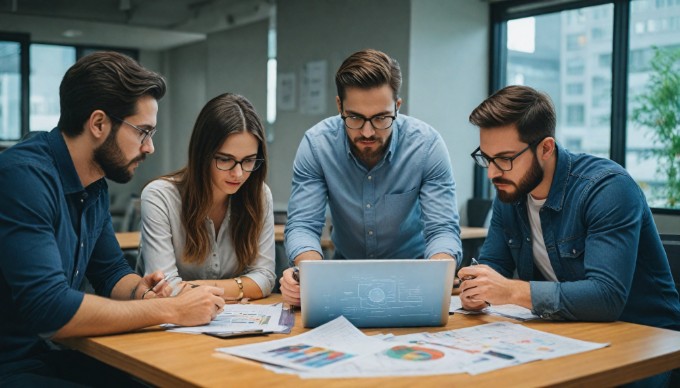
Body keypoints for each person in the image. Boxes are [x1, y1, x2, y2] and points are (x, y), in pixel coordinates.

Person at [0, 52, 225, 387]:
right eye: (143, 132)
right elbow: (49, 309)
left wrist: (143, 293)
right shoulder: (23, 177)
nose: (149, 147)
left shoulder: (94, 184)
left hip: (53, 354)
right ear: (99, 124)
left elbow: (110, 272)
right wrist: (173, 311)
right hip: (13, 364)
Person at [460, 85, 680, 323]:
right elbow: (494, 265)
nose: (492, 173)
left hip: (648, 335)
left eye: (504, 159)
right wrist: (476, 290)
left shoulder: (607, 189)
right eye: (486, 158)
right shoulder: (511, 190)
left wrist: (511, 291)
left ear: (546, 148)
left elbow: (606, 297)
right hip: (571, 330)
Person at [280, 49, 462, 306]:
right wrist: (312, 278)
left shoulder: (426, 146)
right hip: (342, 281)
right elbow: (303, 226)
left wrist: (437, 277)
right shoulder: (317, 145)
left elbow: (442, 229)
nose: (367, 132)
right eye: (355, 117)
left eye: (380, 118)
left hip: (414, 281)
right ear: (339, 106)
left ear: (397, 107)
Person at [140, 93, 276, 301]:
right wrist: (241, 286)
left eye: (248, 161)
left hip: (232, 323)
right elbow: (165, 290)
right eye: (225, 159)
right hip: (167, 326)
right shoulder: (159, 197)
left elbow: (265, 279)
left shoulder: (260, 195)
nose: (238, 174)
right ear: (202, 154)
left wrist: (198, 287)